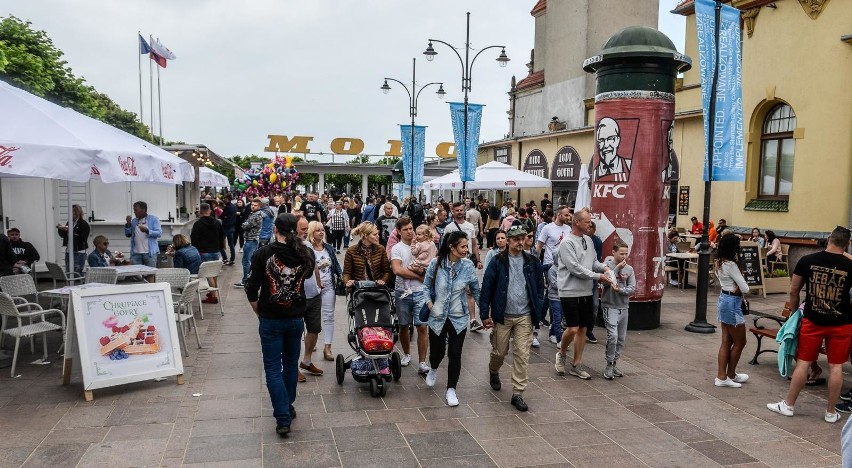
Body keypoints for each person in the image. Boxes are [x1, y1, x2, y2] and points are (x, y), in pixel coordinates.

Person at [767, 226, 852, 424]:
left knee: (803, 363)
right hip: (842, 323)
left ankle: (788, 405)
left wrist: (794, 313)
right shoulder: (849, 265)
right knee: (836, 366)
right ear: (847, 244)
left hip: (813, 320)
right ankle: (830, 412)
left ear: (829, 238)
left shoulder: (808, 261)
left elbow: (794, 290)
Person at [245, 213, 315, 437]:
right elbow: (309, 276)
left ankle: (283, 417)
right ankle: (287, 405)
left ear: (275, 229)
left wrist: (258, 309)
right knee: (290, 365)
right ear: (296, 229)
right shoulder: (306, 253)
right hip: (295, 318)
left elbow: (251, 286)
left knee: (274, 369)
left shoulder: (263, 253)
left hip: (271, 319)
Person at [480, 225, 544, 412]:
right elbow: (487, 287)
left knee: (522, 355)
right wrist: (484, 314)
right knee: (500, 352)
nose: (520, 242)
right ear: (508, 240)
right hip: (503, 315)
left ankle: (518, 393)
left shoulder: (532, 261)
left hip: (524, 315)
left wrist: (538, 306)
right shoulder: (498, 261)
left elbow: (540, 286)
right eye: (516, 239)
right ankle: (494, 370)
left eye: (522, 238)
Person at [422, 230, 481, 407]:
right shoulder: (436, 263)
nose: (466, 250)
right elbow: (425, 287)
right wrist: (430, 304)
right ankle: (433, 368)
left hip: (459, 317)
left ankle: (451, 389)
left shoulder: (468, 266)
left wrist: (485, 313)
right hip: (438, 317)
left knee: (455, 354)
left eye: (467, 246)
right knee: (437, 353)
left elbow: (476, 291)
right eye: (463, 246)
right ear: (451, 247)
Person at [554, 208, 612, 379]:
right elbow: (575, 268)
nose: (590, 224)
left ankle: (576, 364)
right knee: (572, 328)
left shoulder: (588, 240)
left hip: (586, 290)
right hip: (569, 290)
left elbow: (593, 261)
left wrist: (605, 268)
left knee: (582, 328)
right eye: (587, 221)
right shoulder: (567, 243)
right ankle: (562, 352)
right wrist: (598, 276)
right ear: (577, 222)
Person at [390, 217, 430, 374]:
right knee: (404, 326)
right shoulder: (397, 248)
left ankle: (422, 362)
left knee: (422, 326)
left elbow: (431, 265)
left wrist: (422, 275)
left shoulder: (423, 246)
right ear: (399, 232)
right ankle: (406, 354)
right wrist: (418, 276)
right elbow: (397, 270)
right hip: (402, 292)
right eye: (405, 229)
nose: (409, 232)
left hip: (421, 292)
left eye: (411, 228)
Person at [712, 233, 750, 388]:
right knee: (740, 342)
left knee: (726, 341)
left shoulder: (719, 262)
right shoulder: (731, 265)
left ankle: (723, 376)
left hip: (724, 299)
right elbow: (745, 288)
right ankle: (729, 374)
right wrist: (740, 282)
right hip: (732, 303)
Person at [443, 202, 484, 332]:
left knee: (470, 290)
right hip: (453, 263)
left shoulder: (470, 226)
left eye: (461, 210)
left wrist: (478, 260)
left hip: (467, 262)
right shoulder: (449, 228)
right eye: (457, 210)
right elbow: (445, 246)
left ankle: (472, 320)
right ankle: (450, 319)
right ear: (453, 212)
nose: (460, 212)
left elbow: (474, 243)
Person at [600, 240, 636, 380]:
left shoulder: (630, 269)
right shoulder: (607, 266)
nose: (624, 257)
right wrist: (616, 270)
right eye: (621, 253)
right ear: (613, 252)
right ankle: (608, 364)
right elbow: (603, 281)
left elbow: (632, 288)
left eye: (626, 253)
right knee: (612, 336)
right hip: (610, 305)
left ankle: (614, 363)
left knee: (621, 339)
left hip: (624, 306)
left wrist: (620, 290)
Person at [191, 203, 226, 304]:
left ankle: (214, 296)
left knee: (208, 274)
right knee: (213, 273)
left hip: (203, 252)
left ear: (200, 212)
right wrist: (222, 247)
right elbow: (222, 236)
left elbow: (194, 239)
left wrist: (195, 250)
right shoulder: (217, 222)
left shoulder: (197, 224)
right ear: (210, 211)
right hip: (216, 251)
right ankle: (212, 294)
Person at [343, 221, 392, 288]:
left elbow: (387, 271)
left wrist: (382, 281)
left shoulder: (381, 249)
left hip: (377, 289)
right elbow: (346, 272)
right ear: (366, 235)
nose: (378, 236)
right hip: (359, 290)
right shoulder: (351, 251)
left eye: (377, 234)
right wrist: (348, 283)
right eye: (374, 235)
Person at [235, 198, 264, 288]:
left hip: (251, 240)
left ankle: (246, 280)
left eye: (255, 205)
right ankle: (248, 279)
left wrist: (245, 223)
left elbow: (245, 225)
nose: (253, 206)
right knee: (249, 260)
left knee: (246, 261)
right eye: (252, 205)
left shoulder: (256, 215)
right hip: (251, 239)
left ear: (259, 206)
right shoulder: (254, 214)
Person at [593, 117, 631, 182]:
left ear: (617, 140)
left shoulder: (630, 166)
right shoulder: (594, 174)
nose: (606, 145)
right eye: (601, 140)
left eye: (610, 138)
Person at [124, 201, 161, 268]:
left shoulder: (154, 219)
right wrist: (128, 224)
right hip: (136, 253)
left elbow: (159, 233)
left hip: (150, 254)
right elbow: (128, 234)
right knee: (136, 275)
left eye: (136, 210)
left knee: (150, 274)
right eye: (134, 210)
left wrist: (147, 231)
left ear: (143, 210)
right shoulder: (134, 221)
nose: (134, 212)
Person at [58, 204, 91, 275]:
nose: (72, 213)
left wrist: (71, 232)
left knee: (76, 272)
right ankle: (71, 285)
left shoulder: (84, 224)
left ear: (79, 212)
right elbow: (63, 236)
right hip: (69, 251)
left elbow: (83, 238)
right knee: (68, 272)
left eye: (74, 211)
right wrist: (61, 229)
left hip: (79, 251)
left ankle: (83, 283)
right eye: (71, 211)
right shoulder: (69, 222)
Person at [586, 221, 604, 344]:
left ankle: (589, 329)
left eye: (590, 228)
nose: (588, 230)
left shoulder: (597, 241)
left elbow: (596, 260)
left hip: (591, 277)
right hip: (581, 278)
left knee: (595, 305)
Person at [407, 225, 437, 295]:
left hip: (420, 264)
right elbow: (436, 251)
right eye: (416, 234)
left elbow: (414, 252)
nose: (417, 236)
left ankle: (407, 286)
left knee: (409, 267)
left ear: (426, 236)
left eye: (419, 235)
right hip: (430, 265)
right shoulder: (432, 243)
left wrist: (413, 244)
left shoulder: (420, 244)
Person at [219, 194, 237, 265]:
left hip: (226, 227)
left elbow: (221, 216)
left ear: (228, 198)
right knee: (231, 244)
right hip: (232, 227)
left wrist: (224, 217)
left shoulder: (227, 207)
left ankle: (225, 258)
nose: (224, 199)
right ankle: (232, 259)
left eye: (225, 198)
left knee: (220, 243)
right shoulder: (233, 206)